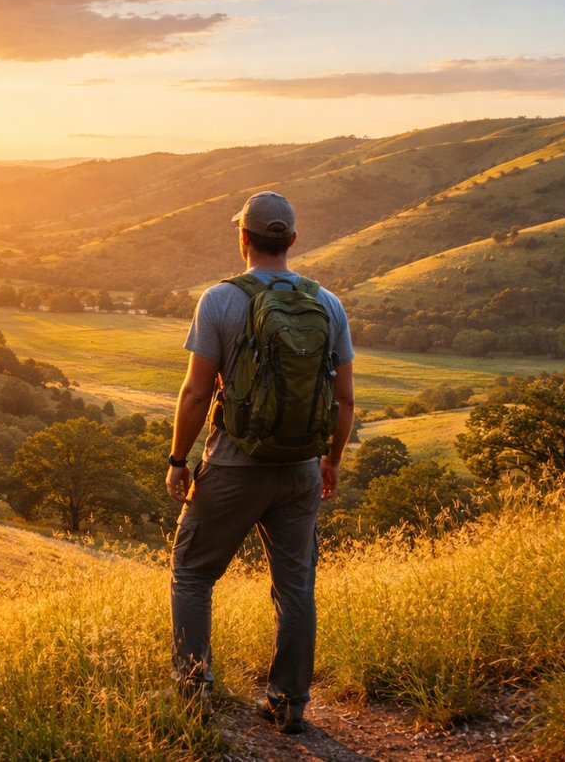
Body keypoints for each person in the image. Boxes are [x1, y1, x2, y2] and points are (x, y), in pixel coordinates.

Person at [165, 190, 355, 733]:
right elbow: (344, 400)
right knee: (296, 588)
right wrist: (331, 460)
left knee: (192, 574)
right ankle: (289, 702)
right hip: (299, 469)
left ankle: (193, 694)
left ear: (242, 238)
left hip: (232, 466)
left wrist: (179, 459)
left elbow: (197, 394)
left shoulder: (219, 301)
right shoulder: (328, 303)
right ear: (292, 240)